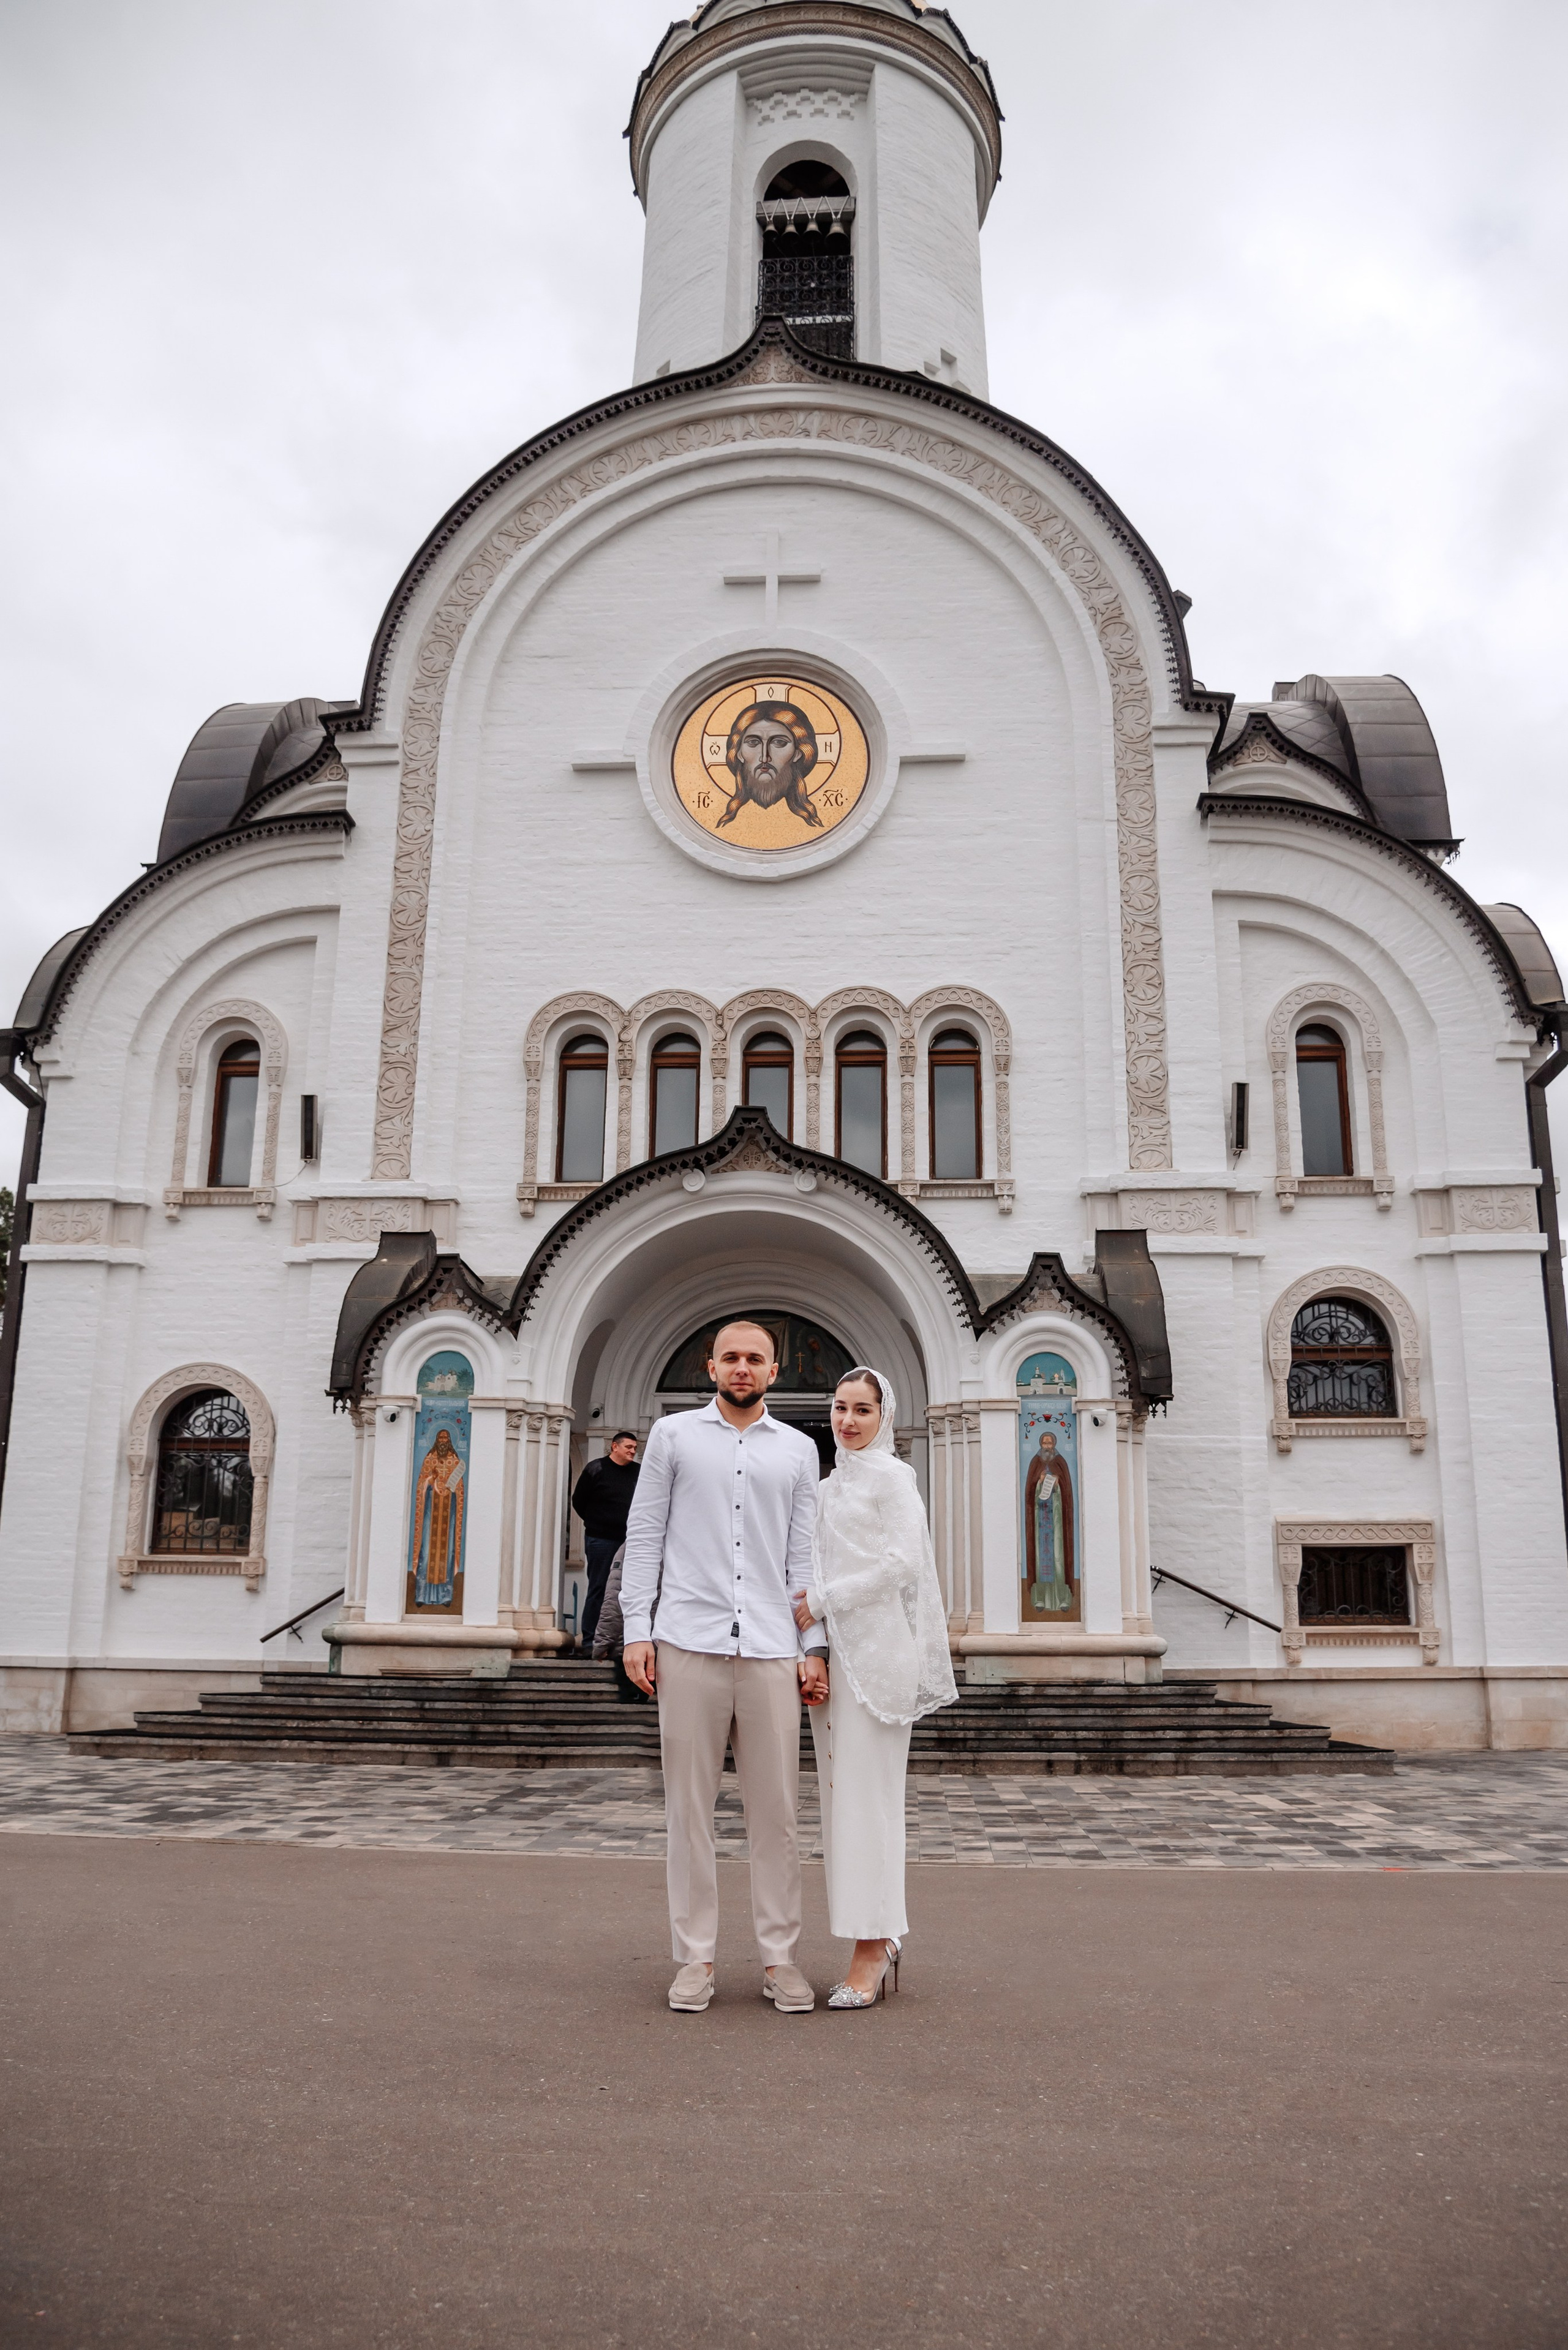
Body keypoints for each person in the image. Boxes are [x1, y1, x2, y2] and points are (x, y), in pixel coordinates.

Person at [620, 1319, 827, 2014]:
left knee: (777, 1815)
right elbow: (644, 1533)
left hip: (770, 1647)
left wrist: (813, 1646)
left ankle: (779, 1959)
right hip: (688, 1641)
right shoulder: (673, 1436)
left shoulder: (799, 1450)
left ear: (774, 1371)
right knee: (689, 1812)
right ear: (710, 1367)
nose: (743, 1367)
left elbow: (803, 1558)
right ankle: (696, 1958)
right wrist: (636, 1630)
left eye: (755, 1359)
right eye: (731, 1357)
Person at [793, 1367, 957, 2009]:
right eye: (840, 1407)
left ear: (884, 1416)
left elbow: (903, 1564)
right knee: (842, 1806)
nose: (848, 1420)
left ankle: (876, 1944)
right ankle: (871, 1934)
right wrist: (814, 1650)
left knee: (872, 1804)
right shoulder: (826, 1487)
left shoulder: (893, 1478)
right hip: (836, 1663)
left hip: (881, 1661)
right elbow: (808, 1566)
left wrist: (823, 1600)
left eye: (862, 1410)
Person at [571, 1431, 640, 1653]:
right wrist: (597, 1522)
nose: (633, 1451)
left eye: (635, 1448)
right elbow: (578, 1501)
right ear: (614, 1447)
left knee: (630, 1590)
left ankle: (622, 1643)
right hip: (601, 1539)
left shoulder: (638, 1472)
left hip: (630, 1541)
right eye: (629, 1447)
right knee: (599, 1588)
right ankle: (591, 1641)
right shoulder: (596, 1469)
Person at [589, 1545, 648, 1705]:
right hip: (665, 1643)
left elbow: (613, 1600)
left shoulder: (630, 1549)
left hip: (630, 1643)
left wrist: (602, 1644)